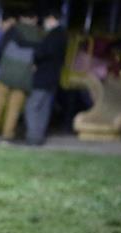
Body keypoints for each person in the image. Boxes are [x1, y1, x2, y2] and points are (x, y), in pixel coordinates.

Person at [0, 10, 44, 142]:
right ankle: (7, 136)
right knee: (14, 108)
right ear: (34, 19)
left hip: (6, 72)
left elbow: (0, 49)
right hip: (24, 75)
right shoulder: (38, 34)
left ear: (21, 17)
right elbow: (40, 54)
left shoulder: (13, 30)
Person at [24, 10, 68, 145]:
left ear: (52, 19)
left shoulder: (54, 35)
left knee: (32, 106)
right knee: (44, 107)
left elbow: (43, 53)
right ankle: (39, 136)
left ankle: (33, 136)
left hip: (44, 76)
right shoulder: (62, 35)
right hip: (53, 77)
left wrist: (35, 58)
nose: (45, 22)